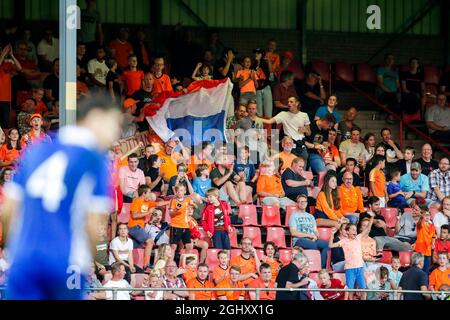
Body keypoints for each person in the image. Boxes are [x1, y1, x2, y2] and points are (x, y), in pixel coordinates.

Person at [2, 94, 122, 299]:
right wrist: (90, 259)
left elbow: (8, 211)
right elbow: (93, 225)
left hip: (24, 260)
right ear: (95, 117)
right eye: (113, 124)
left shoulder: (36, 150)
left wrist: (15, 248)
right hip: (65, 262)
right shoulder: (93, 159)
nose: (114, 133)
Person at [328, 213, 375, 300]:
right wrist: (332, 234)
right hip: (350, 268)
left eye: (355, 229)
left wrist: (372, 217)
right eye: (353, 230)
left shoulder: (358, 238)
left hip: (359, 267)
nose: (355, 231)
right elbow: (330, 245)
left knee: (363, 288)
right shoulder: (344, 241)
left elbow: (368, 229)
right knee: (350, 289)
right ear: (347, 231)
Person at [257, 96, 310, 160]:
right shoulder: (283, 114)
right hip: (290, 145)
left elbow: (309, 133)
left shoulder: (304, 115)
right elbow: (269, 121)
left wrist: (305, 130)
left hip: (301, 145)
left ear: (297, 103)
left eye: (291, 102)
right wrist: (256, 118)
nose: (289, 103)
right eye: (288, 102)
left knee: (303, 164)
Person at [128, 185, 168, 269]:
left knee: (138, 246)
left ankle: (138, 265)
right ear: (144, 193)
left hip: (140, 228)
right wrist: (148, 213)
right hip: (134, 226)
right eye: (149, 193)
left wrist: (171, 201)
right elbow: (134, 215)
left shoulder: (147, 202)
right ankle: (146, 265)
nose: (150, 195)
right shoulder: (136, 201)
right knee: (150, 242)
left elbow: (158, 203)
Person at [289, 194, 329, 268]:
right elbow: (293, 232)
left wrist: (315, 236)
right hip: (299, 240)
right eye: (300, 202)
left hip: (312, 239)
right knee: (313, 245)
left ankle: (321, 267)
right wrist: (309, 235)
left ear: (307, 203)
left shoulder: (311, 216)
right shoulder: (294, 215)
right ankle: (314, 264)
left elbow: (315, 231)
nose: (302, 203)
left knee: (326, 245)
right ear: (297, 203)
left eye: (304, 201)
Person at [0, 44, 22, 129]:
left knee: (5, 124)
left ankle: (4, 142)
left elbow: (20, 68)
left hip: (6, 99)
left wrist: (11, 55)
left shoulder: (7, 63)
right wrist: (4, 53)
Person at [168, 184, 195, 253]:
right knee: (173, 246)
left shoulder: (187, 199)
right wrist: (176, 210)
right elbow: (170, 214)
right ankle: (170, 262)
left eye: (181, 190)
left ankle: (186, 262)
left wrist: (192, 206)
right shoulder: (173, 200)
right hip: (175, 225)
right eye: (177, 191)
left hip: (185, 226)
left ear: (185, 191)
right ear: (176, 192)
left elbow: (193, 197)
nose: (179, 192)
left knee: (189, 246)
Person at [376, 53, 400, 118]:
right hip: (383, 93)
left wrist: (399, 93)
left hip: (393, 94)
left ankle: (384, 110)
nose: (390, 60)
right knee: (393, 98)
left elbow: (398, 84)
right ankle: (390, 115)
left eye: (392, 59)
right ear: (385, 60)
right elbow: (380, 83)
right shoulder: (381, 69)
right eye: (388, 58)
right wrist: (390, 92)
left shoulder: (395, 72)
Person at [252, 47, 273, 118]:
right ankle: (259, 128)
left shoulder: (266, 64)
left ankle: (267, 128)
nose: (256, 54)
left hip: (266, 87)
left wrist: (269, 62)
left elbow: (271, 77)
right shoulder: (252, 65)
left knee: (268, 112)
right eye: (255, 53)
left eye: (258, 53)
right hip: (257, 89)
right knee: (258, 113)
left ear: (262, 54)